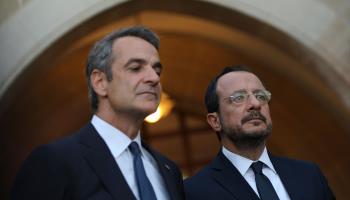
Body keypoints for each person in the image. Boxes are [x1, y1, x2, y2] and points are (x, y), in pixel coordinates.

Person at [11, 26, 185, 200]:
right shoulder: (54, 161)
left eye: (157, 70)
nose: (154, 78)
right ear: (100, 82)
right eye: (135, 68)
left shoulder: (169, 170)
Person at [184, 65, 335, 200]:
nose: (255, 104)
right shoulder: (195, 191)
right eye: (238, 98)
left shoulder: (309, 175)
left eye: (261, 96)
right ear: (215, 121)